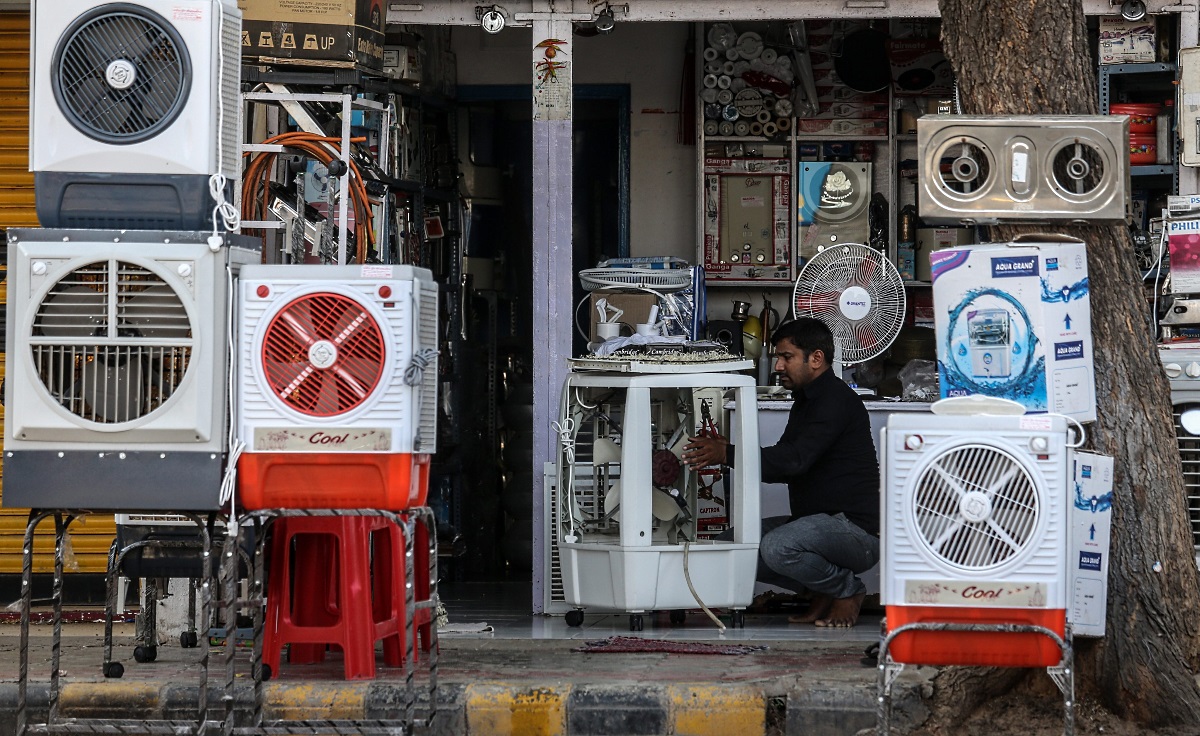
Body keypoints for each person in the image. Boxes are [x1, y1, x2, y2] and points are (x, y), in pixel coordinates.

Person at [683, 317, 880, 627]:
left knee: (777, 546)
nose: (777, 366)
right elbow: (788, 464)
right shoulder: (807, 399)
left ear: (816, 358)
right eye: (778, 357)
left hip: (856, 532)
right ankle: (822, 590)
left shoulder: (835, 401)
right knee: (729, 546)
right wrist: (729, 452)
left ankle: (847, 590)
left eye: (786, 357)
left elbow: (793, 462)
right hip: (817, 524)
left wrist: (727, 452)